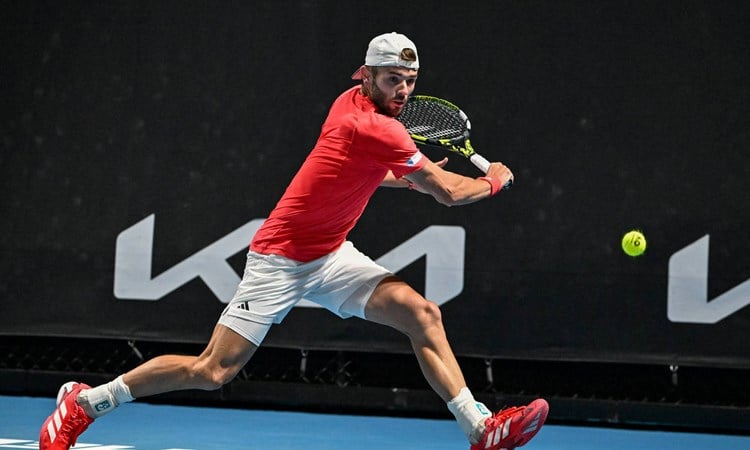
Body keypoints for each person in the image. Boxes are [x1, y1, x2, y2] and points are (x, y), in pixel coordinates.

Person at [39, 32, 548, 450]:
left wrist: (415, 176)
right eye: (393, 79)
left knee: (422, 314)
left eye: (410, 81)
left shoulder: (352, 105)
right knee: (212, 371)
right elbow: (450, 197)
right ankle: (85, 403)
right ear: (365, 75)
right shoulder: (380, 129)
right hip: (280, 260)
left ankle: (480, 428)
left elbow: (368, 172)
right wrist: (492, 180)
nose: (403, 91)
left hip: (332, 255)